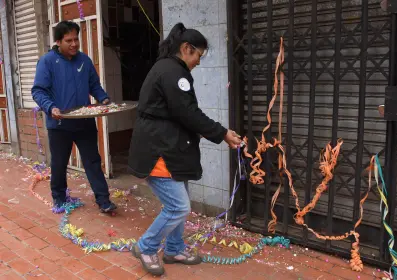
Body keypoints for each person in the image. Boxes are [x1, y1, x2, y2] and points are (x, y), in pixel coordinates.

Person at [128, 22, 242, 276]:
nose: (199, 62)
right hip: (159, 150)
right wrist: (222, 133)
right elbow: (188, 113)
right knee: (178, 207)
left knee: (179, 204)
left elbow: (184, 114)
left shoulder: (169, 69)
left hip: (173, 149)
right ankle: (146, 247)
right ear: (186, 48)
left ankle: (174, 249)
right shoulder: (173, 72)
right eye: (198, 55)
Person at [32, 21, 117, 213]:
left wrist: (103, 99)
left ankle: (104, 201)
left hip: (84, 122)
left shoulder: (84, 61)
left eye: (76, 39)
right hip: (59, 123)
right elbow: (38, 91)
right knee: (59, 163)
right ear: (58, 41)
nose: (74, 44)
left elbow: (94, 85)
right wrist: (50, 107)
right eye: (68, 40)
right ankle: (59, 198)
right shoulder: (47, 62)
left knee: (93, 161)